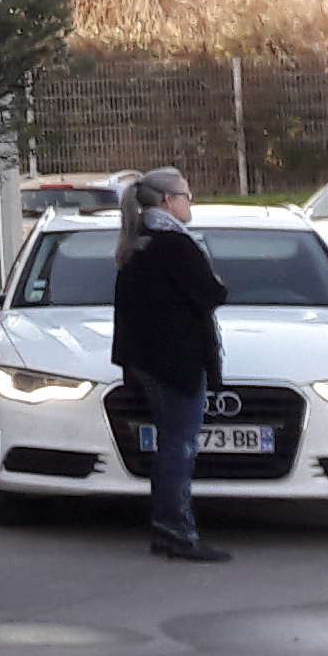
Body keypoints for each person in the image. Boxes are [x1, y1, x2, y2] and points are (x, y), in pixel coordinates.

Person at [109, 165, 231, 563]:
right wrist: (216, 282)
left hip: (148, 361)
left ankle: (167, 528)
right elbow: (211, 294)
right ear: (166, 200)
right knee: (180, 445)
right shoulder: (175, 245)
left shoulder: (137, 244)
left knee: (171, 443)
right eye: (186, 196)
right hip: (176, 363)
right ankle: (176, 530)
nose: (189, 203)